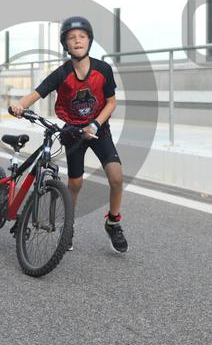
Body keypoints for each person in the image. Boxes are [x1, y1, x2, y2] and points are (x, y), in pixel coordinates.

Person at [10, 16, 128, 254]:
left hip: (99, 130)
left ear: (89, 41)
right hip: (73, 132)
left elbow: (111, 102)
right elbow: (37, 93)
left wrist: (95, 125)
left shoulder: (103, 70)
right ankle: (68, 226)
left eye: (82, 37)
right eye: (72, 38)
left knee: (116, 177)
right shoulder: (62, 73)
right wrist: (19, 105)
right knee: (75, 183)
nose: (77, 41)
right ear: (65, 44)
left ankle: (113, 222)